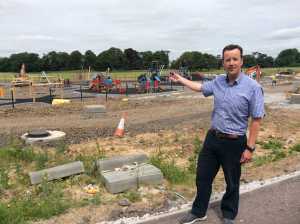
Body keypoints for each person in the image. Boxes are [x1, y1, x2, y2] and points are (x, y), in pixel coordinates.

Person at [169, 44, 264, 224]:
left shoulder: (253, 87)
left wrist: (250, 148)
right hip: (213, 139)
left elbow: (257, 120)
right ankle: (199, 211)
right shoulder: (219, 81)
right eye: (227, 59)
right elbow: (200, 88)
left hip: (234, 143)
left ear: (242, 61)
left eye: (235, 59)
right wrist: (181, 79)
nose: (231, 63)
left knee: (232, 182)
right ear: (223, 62)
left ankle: (228, 215)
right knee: (202, 177)